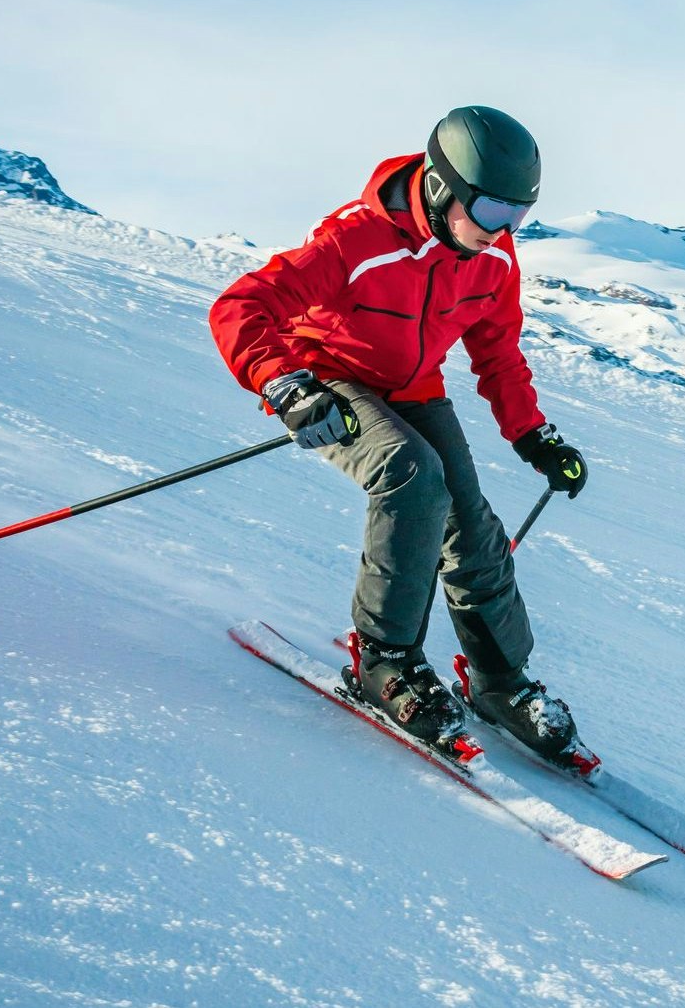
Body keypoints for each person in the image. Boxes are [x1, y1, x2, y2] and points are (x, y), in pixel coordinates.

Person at [209, 106, 589, 762]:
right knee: (412, 477)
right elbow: (240, 306)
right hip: (331, 382)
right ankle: (384, 660)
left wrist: (534, 436)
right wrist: (284, 383)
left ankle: (501, 683)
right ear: (444, 188)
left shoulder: (492, 256)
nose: (503, 231)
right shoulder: (355, 239)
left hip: (414, 388)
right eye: (494, 212)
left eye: (518, 217)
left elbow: (497, 355)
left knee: (470, 523)